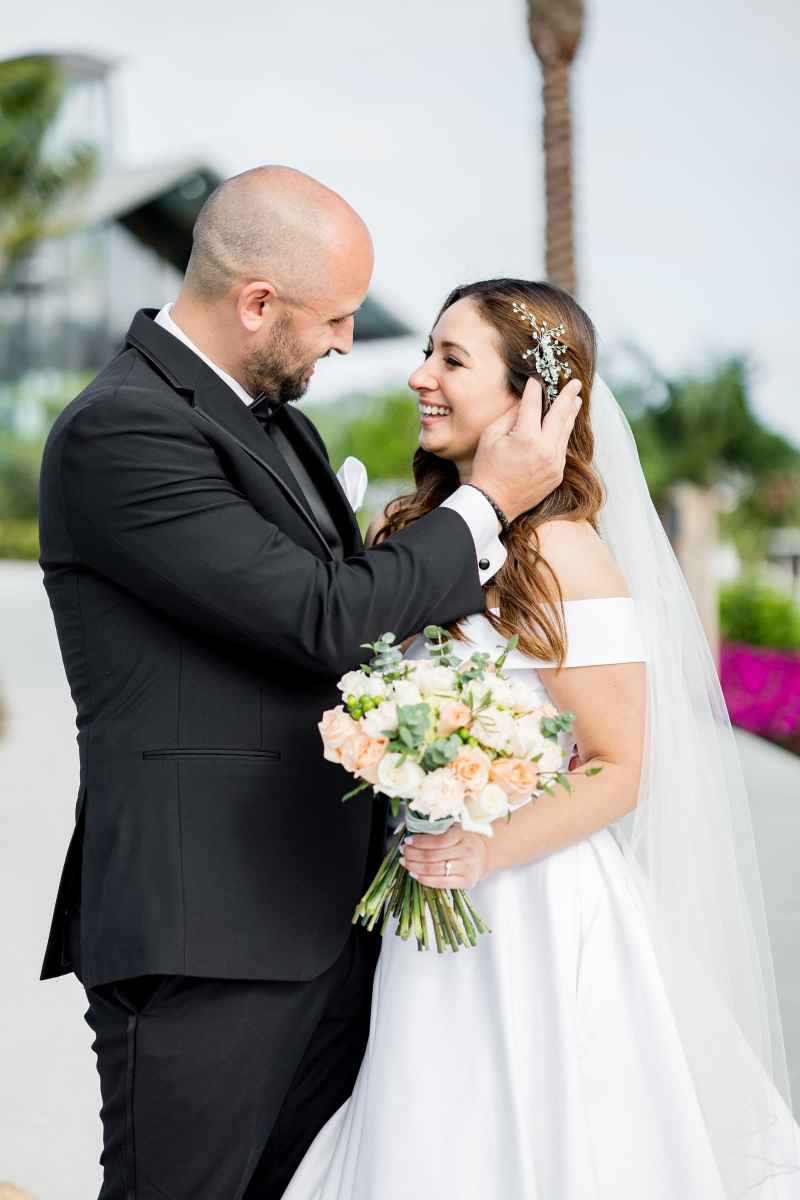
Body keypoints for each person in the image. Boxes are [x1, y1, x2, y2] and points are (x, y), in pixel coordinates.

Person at [36, 172, 582, 1199]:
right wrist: (484, 505)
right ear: (256, 302)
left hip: (329, 924)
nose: (344, 344)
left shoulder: (275, 423)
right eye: (332, 319)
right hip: (208, 934)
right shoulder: (125, 430)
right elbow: (325, 617)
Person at [282, 279, 800, 1199]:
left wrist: (481, 843)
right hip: (427, 907)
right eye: (427, 352)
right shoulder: (418, 530)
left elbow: (620, 766)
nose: (417, 377)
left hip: (529, 911)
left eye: (450, 358)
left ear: (532, 398)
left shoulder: (561, 553)